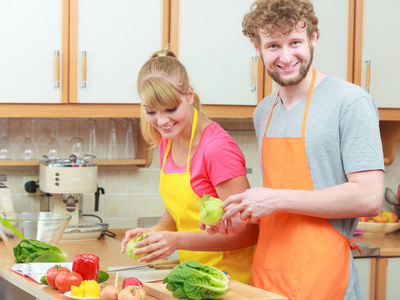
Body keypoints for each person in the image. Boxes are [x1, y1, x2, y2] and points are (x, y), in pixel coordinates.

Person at [201, 0, 385, 299]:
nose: (286, 57)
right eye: (273, 45)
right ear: (256, 46)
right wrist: (237, 217)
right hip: (269, 278)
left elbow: (369, 197)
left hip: (325, 279)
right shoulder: (264, 112)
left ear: (313, 38)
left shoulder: (350, 102)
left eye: (295, 42)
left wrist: (275, 198)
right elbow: (281, 207)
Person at [120, 48, 258, 284]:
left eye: (171, 109)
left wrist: (177, 241)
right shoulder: (169, 140)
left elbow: (249, 231)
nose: (162, 121)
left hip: (230, 282)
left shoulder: (216, 148)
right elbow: (175, 216)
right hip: (193, 279)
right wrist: (154, 233)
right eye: (150, 111)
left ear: (190, 95)